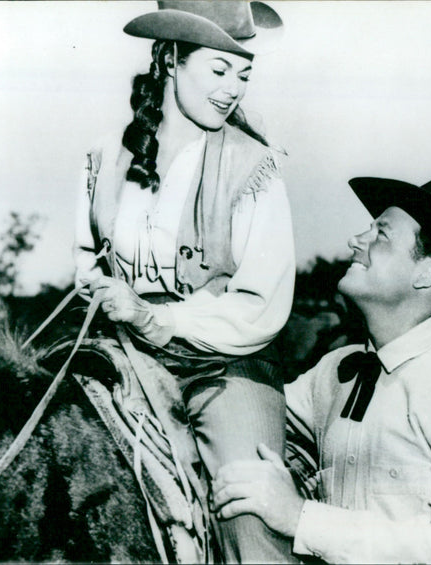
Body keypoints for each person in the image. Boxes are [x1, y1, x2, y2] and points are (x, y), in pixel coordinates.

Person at [212, 177, 431, 564]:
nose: (356, 240)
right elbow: (252, 422)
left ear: (428, 272)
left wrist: (301, 519)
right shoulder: (333, 372)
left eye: (381, 234)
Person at [72, 2, 295, 562]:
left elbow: (260, 307)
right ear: (171, 59)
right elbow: (86, 261)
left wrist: (156, 317)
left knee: (250, 510)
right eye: (219, 71)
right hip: (117, 352)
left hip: (223, 366)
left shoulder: (254, 166)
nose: (233, 90)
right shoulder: (105, 156)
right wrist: (102, 294)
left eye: (243, 74)